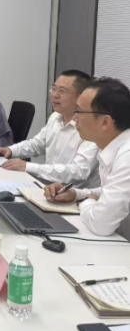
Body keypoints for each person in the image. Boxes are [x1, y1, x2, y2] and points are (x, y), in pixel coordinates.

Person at [45, 77, 130, 240]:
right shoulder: (113, 146)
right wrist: (76, 194)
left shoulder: (127, 156)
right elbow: (109, 190)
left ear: (105, 122)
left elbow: (100, 224)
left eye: (79, 112)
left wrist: (83, 202)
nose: (74, 118)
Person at [0, 70, 99, 188]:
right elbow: (37, 144)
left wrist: (28, 167)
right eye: (54, 89)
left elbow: (78, 172)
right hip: (47, 188)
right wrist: (10, 150)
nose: (55, 95)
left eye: (62, 91)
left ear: (81, 96)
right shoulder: (55, 117)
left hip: (73, 194)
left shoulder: (91, 127)